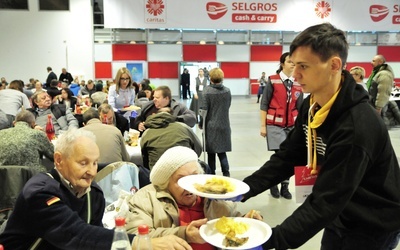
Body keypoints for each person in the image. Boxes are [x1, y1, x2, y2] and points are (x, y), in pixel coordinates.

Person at [241, 23, 400, 250]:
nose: (295, 74)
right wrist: (243, 190)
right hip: (340, 215)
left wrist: (269, 241)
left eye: (303, 66)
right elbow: (288, 155)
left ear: (334, 65)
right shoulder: (313, 104)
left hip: (371, 225)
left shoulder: (356, 127)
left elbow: (326, 201)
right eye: (294, 65)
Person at [0, 129, 192, 250]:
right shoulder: (40, 192)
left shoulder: (94, 195)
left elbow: (94, 239)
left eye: (94, 163)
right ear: (59, 160)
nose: (91, 171)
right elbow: (75, 235)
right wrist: (141, 243)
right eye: (83, 163)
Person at [126, 146, 261, 250]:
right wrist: (184, 234)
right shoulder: (145, 199)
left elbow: (231, 223)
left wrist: (246, 222)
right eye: (181, 180)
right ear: (166, 183)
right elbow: (134, 237)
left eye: (194, 177)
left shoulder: (214, 197)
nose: (189, 186)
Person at [259, 52, 303, 199]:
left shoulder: (298, 82)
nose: (293, 64)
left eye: (294, 62)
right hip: (274, 124)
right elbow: (264, 104)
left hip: (292, 125)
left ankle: (285, 187)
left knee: (290, 156)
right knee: (279, 156)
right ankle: (273, 184)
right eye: (290, 61)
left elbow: (300, 106)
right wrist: (263, 126)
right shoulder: (272, 80)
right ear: (282, 63)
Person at [200, 68, 232, 177]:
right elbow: (228, 105)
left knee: (211, 153)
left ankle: (211, 174)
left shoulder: (207, 91)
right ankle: (226, 173)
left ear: (210, 78)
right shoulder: (227, 91)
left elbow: (203, 110)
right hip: (224, 124)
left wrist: (201, 123)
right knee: (222, 152)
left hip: (211, 126)